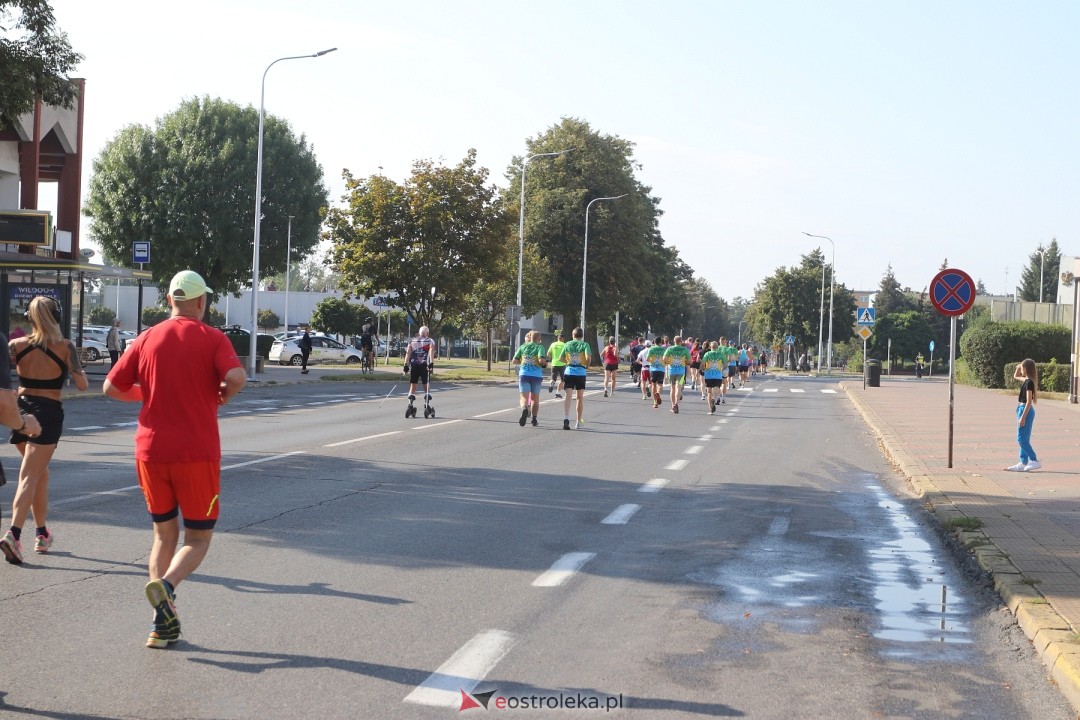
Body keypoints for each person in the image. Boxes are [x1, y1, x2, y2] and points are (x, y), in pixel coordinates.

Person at [103, 270, 246, 649]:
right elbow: (236, 375)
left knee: (163, 534)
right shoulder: (211, 337)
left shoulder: (146, 338)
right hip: (196, 453)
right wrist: (224, 395)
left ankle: (160, 625)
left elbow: (110, 387)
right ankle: (166, 588)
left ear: (170, 300)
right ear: (201, 302)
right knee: (197, 537)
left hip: (150, 452)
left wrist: (147, 395)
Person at [0, 296, 87, 565]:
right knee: (29, 476)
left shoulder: (16, 345)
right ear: (57, 317)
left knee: (39, 474)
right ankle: (13, 533)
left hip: (22, 410)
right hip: (48, 413)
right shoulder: (65, 347)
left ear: (30, 317)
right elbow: (82, 384)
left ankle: (41, 533)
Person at [1006, 359, 1040, 472]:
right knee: (1024, 438)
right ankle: (1023, 462)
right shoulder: (1026, 380)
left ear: (1026, 369)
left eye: (1022, 368)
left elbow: (1029, 401)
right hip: (1021, 409)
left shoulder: (1029, 382)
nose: (1021, 369)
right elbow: (1016, 376)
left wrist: (1023, 417)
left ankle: (1034, 460)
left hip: (1026, 410)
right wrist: (1019, 366)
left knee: (1021, 439)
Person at [512, 330, 546, 427]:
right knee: (535, 399)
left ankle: (524, 409)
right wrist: (544, 363)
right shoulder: (540, 347)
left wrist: (524, 362)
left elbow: (514, 360)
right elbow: (541, 360)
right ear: (539, 339)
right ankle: (534, 419)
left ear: (530, 338)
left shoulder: (522, 347)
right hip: (536, 376)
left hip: (524, 374)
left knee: (524, 397)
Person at [560, 327, 592, 430]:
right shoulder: (585, 345)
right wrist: (586, 365)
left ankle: (566, 418)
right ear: (582, 336)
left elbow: (561, 358)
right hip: (580, 373)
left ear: (573, 335)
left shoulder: (567, 344)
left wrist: (568, 362)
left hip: (569, 372)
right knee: (579, 398)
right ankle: (578, 421)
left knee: (568, 396)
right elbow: (588, 358)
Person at [404, 325, 437, 407]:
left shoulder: (412, 341)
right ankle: (427, 402)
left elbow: (408, 353)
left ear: (419, 333)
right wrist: (431, 363)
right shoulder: (430, 341)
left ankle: (410, 403)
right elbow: (431, 351)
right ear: (427, 333)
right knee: (426, 383)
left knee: (413, 383)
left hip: (414, 365)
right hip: (424, 365)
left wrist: (405, 365)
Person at [662, 335, 691, 413]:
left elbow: (664, 358)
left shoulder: (670, 349)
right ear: (681, 341)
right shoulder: (685, 350)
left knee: (672, 388)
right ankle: (676, 404)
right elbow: (690, 361)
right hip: (681, 372)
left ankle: (672, 405)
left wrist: (669, 362)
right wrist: (685, 362)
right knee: (679, 387)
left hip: (671, 371)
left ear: (674, 341)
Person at [701, 341, 725, 413]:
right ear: (717, 347)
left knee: (709, 392)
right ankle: (714, 400)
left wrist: (702, 369)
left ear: (710, 347)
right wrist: (721, 369)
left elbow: (702, 363)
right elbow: (726, 364)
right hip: (718, 375)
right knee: (716, 389)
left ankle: (710, 409)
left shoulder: (707, 354)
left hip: (708, 375)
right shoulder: (720, 354)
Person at [644, 340, 667, 408]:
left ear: (654, 342)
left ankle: (655, 402)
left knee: (653, 384)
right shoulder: (663, 349)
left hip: (653, 369)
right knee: (660, 385)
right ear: (660, 343)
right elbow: (665, 359)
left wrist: (653, 361)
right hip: (661, 369)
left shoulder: (651, 349)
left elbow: (647, 359)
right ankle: (658, 394)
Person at [546, 331, 567, 398]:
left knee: (553, 378)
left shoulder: (553, 344)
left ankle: (552, 383)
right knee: (563, 380)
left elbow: (548, 354)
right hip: (562, 364)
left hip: (554, 363)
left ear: (558, 338)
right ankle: (557, 392)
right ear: (563, 339)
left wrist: (553, 357)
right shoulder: (565, 345)